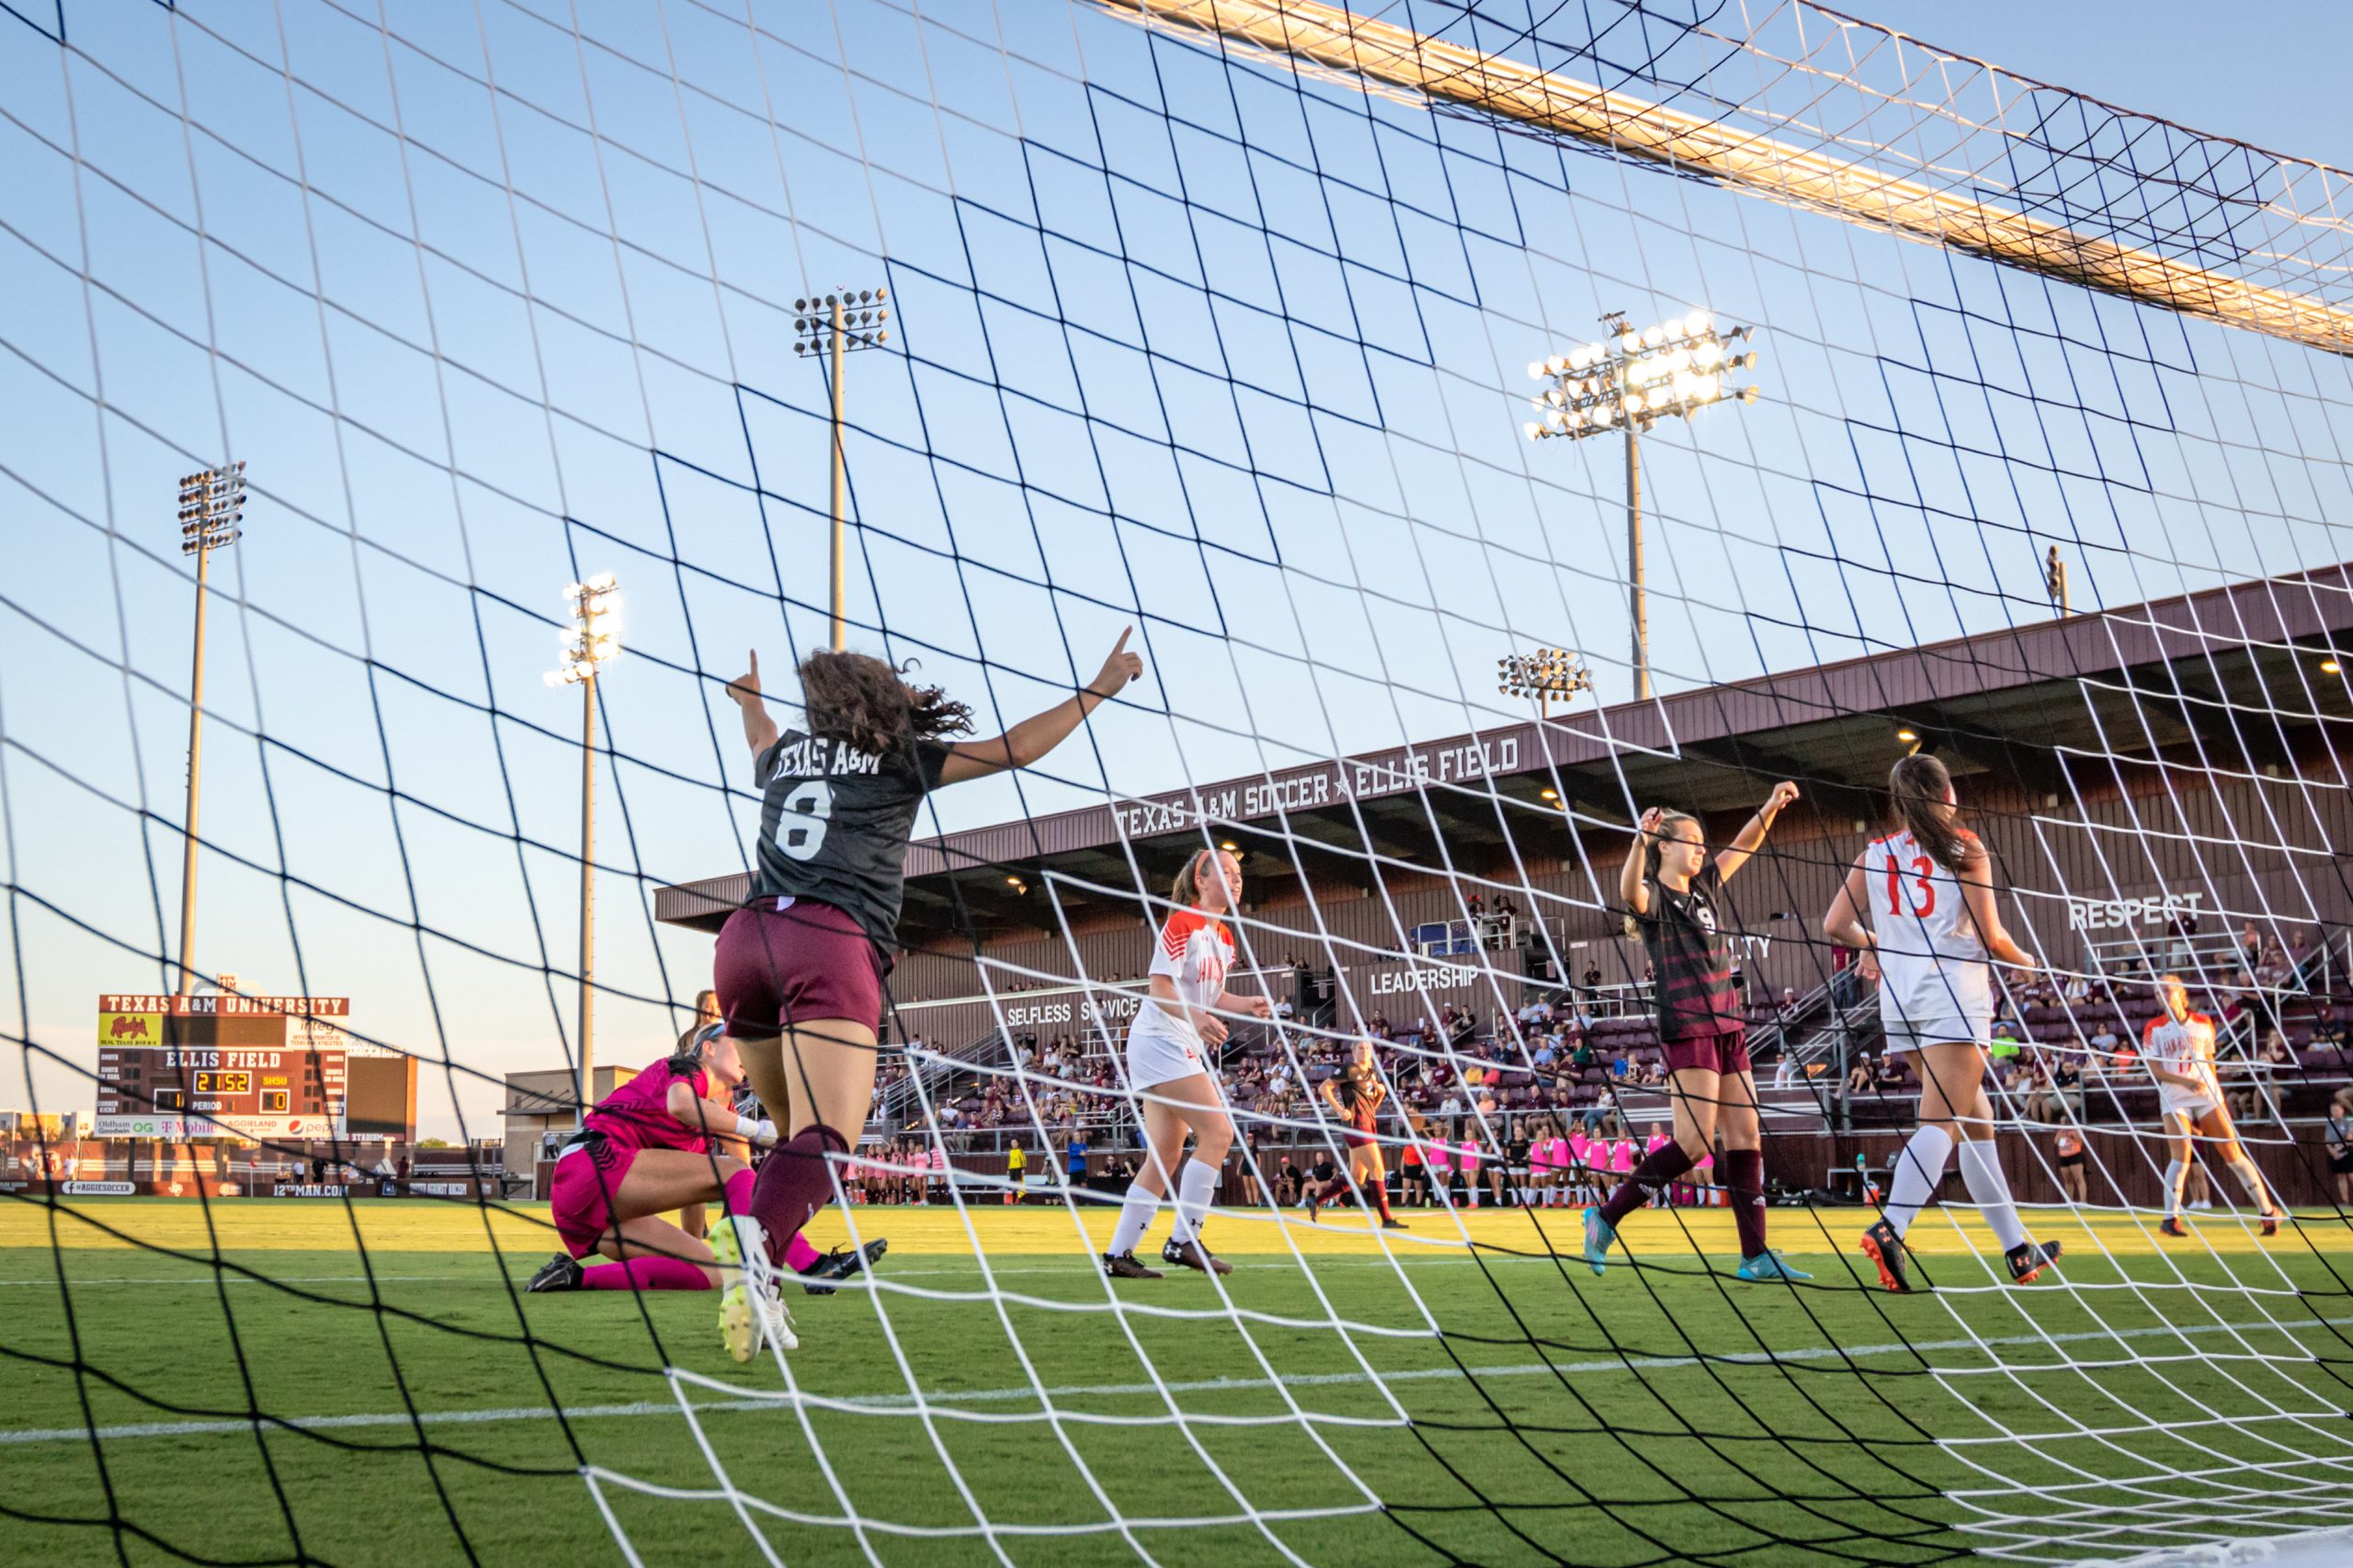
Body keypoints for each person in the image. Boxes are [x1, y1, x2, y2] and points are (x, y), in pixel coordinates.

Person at [713, 631, 1141, 1356]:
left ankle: (763, 1272)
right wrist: (1099, 688)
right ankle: (753, 1250)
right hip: (828, 941)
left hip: (744, 943)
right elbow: (1016, 748)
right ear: (877, 699)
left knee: (793, 1143)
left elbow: (759, 741)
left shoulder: (785, 753)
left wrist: (750, 702)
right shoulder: (896, 759)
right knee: (831, 1140)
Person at [1824, 754, 2061, 1294]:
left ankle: (2017, 1250)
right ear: (1946, 793)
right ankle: (1893, 1227)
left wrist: (1879, 944)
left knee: (1978, 1123)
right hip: (1954, 997)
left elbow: (1835, 924)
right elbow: (1992, 937)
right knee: (1941, 1125)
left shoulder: (1876, 854)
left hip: (1901, 1003)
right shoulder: (1965, 847)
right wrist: (2036, 966)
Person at [1586, 784, 1809, 1282]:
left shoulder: (1705, 885)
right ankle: (1604, 1218)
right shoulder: (1655, 899)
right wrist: (1637, 842)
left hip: (1729, 1023)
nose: (1702, 849)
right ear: (1665, 846)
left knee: (1746, 1135)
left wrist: (1769, 806)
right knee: (1692, 1145)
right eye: (1692, 840)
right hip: (1688, 1025)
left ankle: (1755, 1256)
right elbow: (1628, 891)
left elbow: (1744, 847)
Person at [529, 1028, 881, 1317]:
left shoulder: (718, 1111)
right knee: (735, 1174)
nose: (746, 1052)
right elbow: (681, 1106)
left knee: (710, 1271)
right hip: (590, 1164)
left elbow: (728, 1183)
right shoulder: (683, 1070)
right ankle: (810, 1265)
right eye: (736, 1043)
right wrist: (756, 1131)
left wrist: (696, 1240)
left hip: (587, 1214)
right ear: (709, 1049)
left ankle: (572, 1276)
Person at [1102, 847, 1269, 1278]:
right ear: (1201, 880)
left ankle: (1119, 1254)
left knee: (1165, 1154)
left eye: (1238, 874)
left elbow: (1208, 995)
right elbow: (1160, 989)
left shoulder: (1224, 937)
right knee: (1218, 1131)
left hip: (1171, 1041)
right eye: (1227, 873)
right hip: (1160, 1039)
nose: (1236, 880)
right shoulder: (1183, 923)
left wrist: (1244, 1003)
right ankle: (1182, 1240)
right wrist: (1196, 1016)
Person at [2144, 973, 2283, 1238]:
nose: (2160, 994)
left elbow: (2209, 1061)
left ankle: (2267, 1213)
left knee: (2232, 1151)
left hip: (2206, 1094)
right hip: (2175, 1095)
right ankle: (2169, 1219)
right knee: (2181, 1155)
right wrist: (2183, 1082)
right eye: (2156, 991)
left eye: (2165, 989)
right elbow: (2155, 1069)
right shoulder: (2154, 1027)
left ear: (2180, 992)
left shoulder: (2203, 1022)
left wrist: (2211, 1091)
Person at [1308, 1040, 1405, 1230]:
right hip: (1356, 1125)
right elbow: (1323, 1088)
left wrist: (1380, 1094)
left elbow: (1372, 1107)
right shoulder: (1350, 1069)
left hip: (1368, 1123)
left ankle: (1318, 1201)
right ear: (1354, 1052)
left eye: (1367, 1048)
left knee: (1357, 1177)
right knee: (1377, 1170)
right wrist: (1338, 1109)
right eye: (1361, 1048)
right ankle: (1386, 1219)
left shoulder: (1372, 1074)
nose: (1365, 1050)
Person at [2052, 1125, 2088, 1206]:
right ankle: (2070, 1201)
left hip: (2075, 1155)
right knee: (2068, 1180)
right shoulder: (2061, 1132)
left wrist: (2072, 1137)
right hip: (2064, 1156)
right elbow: (2057, 1142)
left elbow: (2080, 1141)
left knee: (2079, 1179)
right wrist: (2062, 1136)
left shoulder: (2076, 1130)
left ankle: (2083, 1202)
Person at [1004, 1139, 1026, 1206]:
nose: (1013, 1144)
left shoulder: (1020, 1151)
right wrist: (1008, 1170)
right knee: (1013, 1186)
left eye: (1014, 1142)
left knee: (1020, 1186)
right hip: (1012, 1171)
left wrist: (1023, 1168)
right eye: (1012, 1143)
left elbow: (1023, 1159)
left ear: (1017, 1143)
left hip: (1018, 1170)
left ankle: (1022, 1201)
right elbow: (1010, 1161)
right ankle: (1013, 1202)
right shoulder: (1010, 1151)